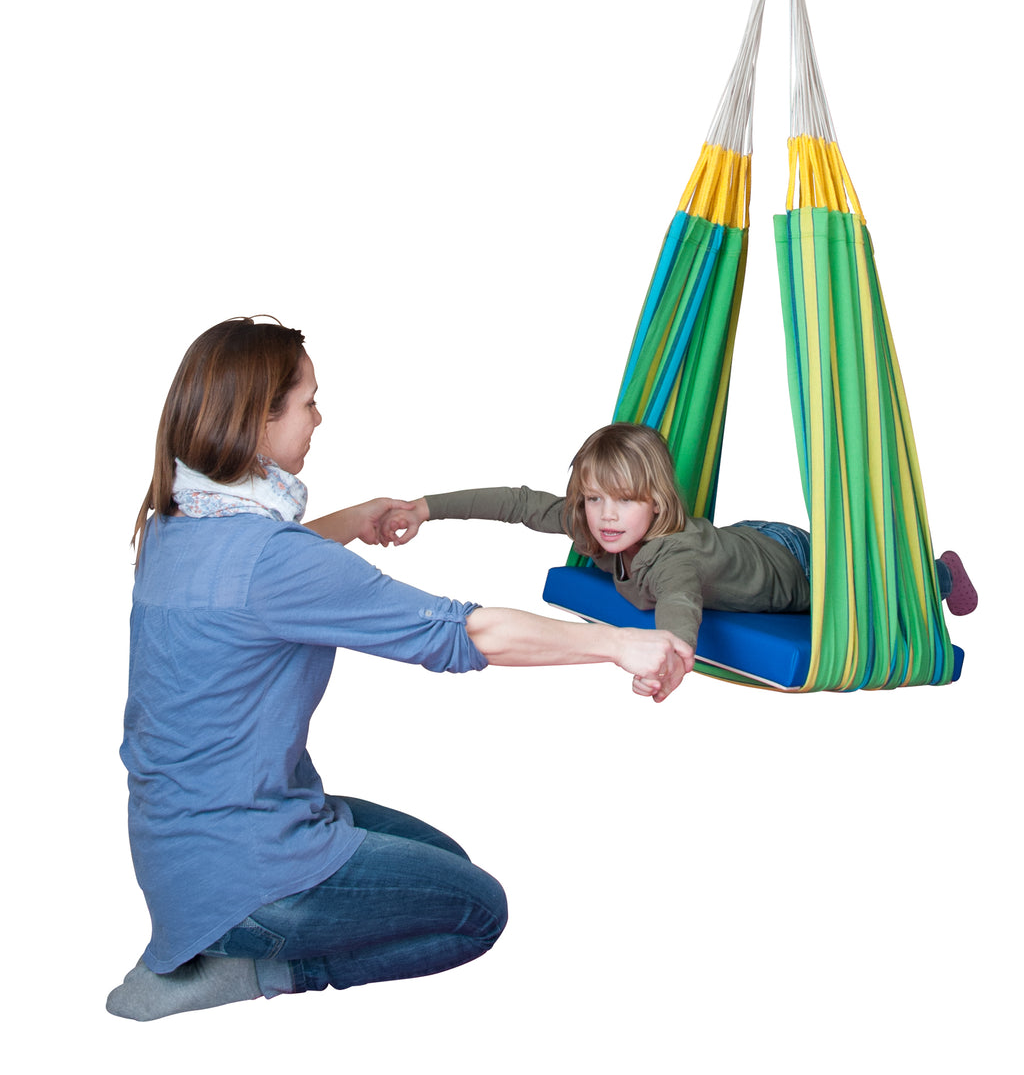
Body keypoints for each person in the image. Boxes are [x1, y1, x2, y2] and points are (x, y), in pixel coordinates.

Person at [107, 320, 691, 1023]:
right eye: (308, 402)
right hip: (246, 868)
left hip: (176, 849)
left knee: (445, 860)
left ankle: (200, 942)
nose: (319, 418)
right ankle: (248, 971)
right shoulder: (275, 562)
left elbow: (258, 573)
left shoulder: (176, 521)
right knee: (476, 910)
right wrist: (618, 646)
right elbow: (461, 632)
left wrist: (350, 520)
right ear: (259, 420)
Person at [376, 422, 978, 671]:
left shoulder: (672, 558)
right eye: (594, 500)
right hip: (743, 541)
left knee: (871, 584)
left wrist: (670, 663)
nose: (606, 517)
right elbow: (515, 502)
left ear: (657, 504)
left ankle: (937, 575)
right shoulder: (598, 525)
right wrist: (425, 508)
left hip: (795, 565)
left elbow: (680, 610)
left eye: (625, 501)